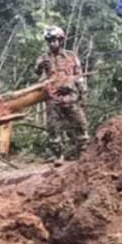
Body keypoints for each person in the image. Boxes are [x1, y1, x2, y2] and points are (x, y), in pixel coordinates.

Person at [34, 25, 89, 159]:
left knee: (80, 124)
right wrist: (41, 66)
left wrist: (82, 92)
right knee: (53, 128)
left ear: (61, 40)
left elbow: (79, 75)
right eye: (50, 41)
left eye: (55, 40)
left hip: (71, 96)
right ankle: (58, 155)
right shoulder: (44, 57)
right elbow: (36, 72)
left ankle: (83, 152)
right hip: (54, 97)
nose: (52, 43)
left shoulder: (71, 56)